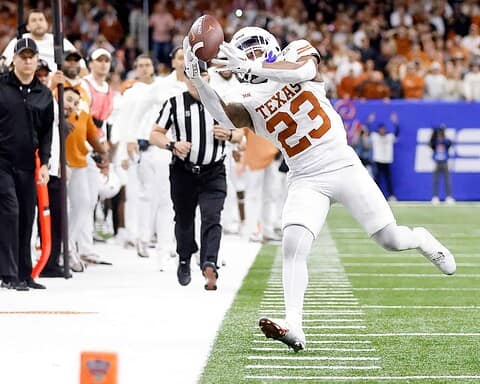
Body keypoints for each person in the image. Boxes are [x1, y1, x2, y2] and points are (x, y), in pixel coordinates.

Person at [183, 27, 456, 351]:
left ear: (271, 48)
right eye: (245, 51)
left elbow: (303, 70)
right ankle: (294, 325)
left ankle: (421, 238)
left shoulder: (296, 52)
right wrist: (198, 79)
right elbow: (225, 119)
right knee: (293, 244)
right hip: (305, 176)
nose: (251, 55)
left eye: (256, 49)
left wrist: (251, 66)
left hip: (343, 164)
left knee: (391, 239)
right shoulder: (247, 99)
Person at [149, 61, 243, 290]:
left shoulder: (223, 102)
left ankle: (209, 262)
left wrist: (229, 134)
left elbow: (241, 132)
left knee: (212, 216)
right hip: (184, 171)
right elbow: (154, 134)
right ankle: (184, 257)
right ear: (184, 79)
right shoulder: (174, 103)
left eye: (198, 76)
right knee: (184, 218)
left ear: (207, 77)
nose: (194, 81)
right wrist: (172, 145)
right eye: (189, 76)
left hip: (214, 170)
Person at [0, 38, 53, 290]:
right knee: (10, 212)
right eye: (23, 56)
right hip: (1, 161)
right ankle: (8, 274)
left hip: (27, 163)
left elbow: (46, 134)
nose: (28, 61)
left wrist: (44, 163)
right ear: (14, 60)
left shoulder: (44, 94)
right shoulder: (1, 87)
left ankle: (24, 273)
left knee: (27, 217)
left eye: (32, 56)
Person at [2, 9, 80, 72]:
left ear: (47, 24)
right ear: (27, 27)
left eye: (41, 20)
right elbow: (4, 64)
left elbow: (81, 65)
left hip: (57, 82)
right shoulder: (19, 40)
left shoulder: (59, 41)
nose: (38, 23)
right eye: (34, 20)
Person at [369, 112, 399, 201]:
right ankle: (374, 195)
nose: (383, 131)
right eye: (381, 129)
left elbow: (397, 132)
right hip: (377, 160)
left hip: (386, 160)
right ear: (378, 130)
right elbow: (368, 131)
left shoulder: (389, 137)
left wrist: (395, 122)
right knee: (377, 179)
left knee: (388, 179)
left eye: (384, 129)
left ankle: (391, 195)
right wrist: (369, 122)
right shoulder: (375, 136)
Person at [429, 125, 454, 205]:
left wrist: (444, 136)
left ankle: (448, 197)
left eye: (441, 132)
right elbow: (430, 144)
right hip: (437, 162)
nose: (440, 134)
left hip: (444, 162)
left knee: (447, 180)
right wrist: (433, 134)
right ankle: (435, 197)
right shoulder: (435, 141)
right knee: (435, 180)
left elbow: (450, 143)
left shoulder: (446, 141)